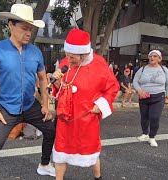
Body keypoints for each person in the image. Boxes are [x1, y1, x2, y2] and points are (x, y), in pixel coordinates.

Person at [0, 4, 56, 179]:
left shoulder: (36, 52)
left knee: (51, 130)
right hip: (6, 107)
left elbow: (43, 79)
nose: (29, 33)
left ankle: (44, 164)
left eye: (31, 29)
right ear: (10, 25)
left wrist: (45, 104)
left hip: (30, 105)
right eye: (24, 28)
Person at [51, 29, 119, 180]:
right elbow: (59, 89)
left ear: (83, 54)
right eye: (67, 55)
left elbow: (113, 87)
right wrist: (56, 81)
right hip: (66, 118)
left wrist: (101, 104)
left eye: (72, 57)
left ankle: (98, 177)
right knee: (61, 152)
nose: (68, 60)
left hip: (87, 117)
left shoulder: (99, 64)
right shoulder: (65, 63)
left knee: (91, 152)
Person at [133, 50, 168, 147]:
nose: (152, 58)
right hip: (144, 96)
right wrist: (139, 90)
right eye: (151, 56)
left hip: (158, 96)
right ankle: (145, 133)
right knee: (144, 117)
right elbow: (135, 81)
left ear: (159, 59)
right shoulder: (142, 69)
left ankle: (152, 137)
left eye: (155, 56)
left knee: (154, 117)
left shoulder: (164, 70)